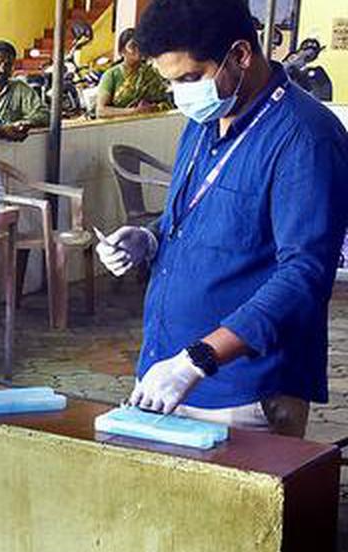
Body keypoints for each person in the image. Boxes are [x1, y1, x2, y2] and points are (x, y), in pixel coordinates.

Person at [96, 0, 348, 437]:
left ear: (240, 55)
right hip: (166, 369)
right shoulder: (204, 119)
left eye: (191, 77)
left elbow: (305, 275)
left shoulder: (306, 139)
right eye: (171, 81)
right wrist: (150, 239)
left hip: (244, 388)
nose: (181, 93)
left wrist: (199, 359)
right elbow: (198, 219)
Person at [95, 28, 173, 118]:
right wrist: (134, 111)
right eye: (133, 46)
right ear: (122, 51)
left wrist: (153, 108)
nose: (138, 49)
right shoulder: (111, 75)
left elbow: (166, 103)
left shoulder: (151, 73)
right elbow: (101, 111)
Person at [0, 40, 49, 128]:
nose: (2, 69)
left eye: (8, 65)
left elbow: (44, 114)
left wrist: (25, 123)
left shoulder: (20, 89)